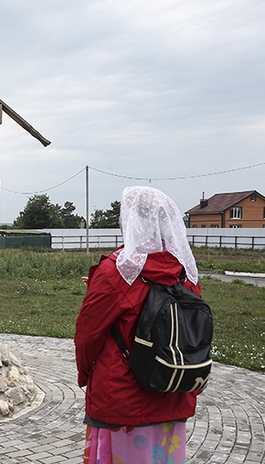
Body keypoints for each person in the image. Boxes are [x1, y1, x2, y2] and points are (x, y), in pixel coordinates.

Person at [75, 186, 202, 463]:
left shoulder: (116, 271)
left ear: (130, 222)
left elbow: (87, 336)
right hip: (173, 392)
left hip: (122, 401)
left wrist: (85, 375)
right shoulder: (185, 272)